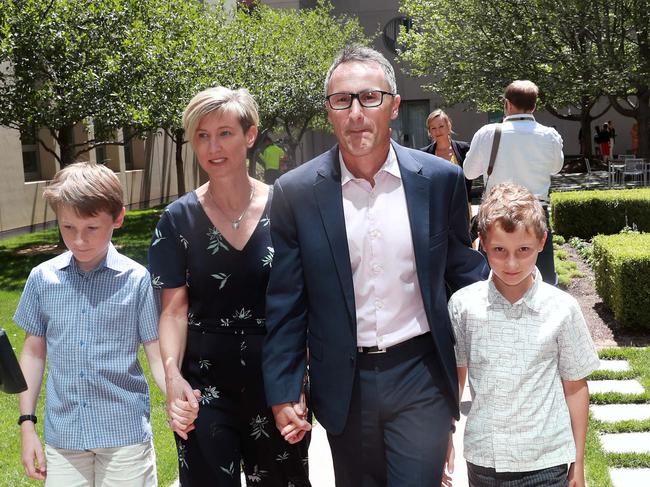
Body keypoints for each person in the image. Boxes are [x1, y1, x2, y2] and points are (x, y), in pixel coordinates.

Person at [262, 44, 487, 487]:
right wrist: (286, 386)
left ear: (394, 105)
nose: (356, 113)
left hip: (421, 373)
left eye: (370, 98)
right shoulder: (296, 192)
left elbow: (463, 273)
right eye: (341, 100)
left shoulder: (440, 181)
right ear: (329, 111)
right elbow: (287, 302)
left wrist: (522, 295)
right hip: (345, 384)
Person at [148, 86, 310, 487]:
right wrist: (172, 378)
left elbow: (307, 301)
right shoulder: (176, 220)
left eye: (224, 133)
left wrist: (300, 381)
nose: (212, 147)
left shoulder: (288, 208)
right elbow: (172, 310)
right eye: (202, 136)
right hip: (204, 385)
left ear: (250, 136)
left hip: (277, 381)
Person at [15, 161, 164, 486]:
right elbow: (33, 353)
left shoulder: (137, 281)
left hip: (124, 436)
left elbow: (157, 355)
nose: (79, 240)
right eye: (68, 228)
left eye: (91, 228)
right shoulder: (42, 279)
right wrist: (27, 424)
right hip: (64, 438)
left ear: (118, 218)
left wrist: (177, 393)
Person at [448, 182, 599, 487]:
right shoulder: (463, 306)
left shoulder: (563, 309)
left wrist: (578, 462)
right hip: (483, 461)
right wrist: (446, 436)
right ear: (483, 244)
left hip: (545, 462)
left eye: (523, 250)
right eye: (499, 250)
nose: (512, 263)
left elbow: (575, 387)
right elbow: (455, 379)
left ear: (542, 242)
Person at [463, 80, 564, 285]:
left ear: (507, 104)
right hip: (536, 213)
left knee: (492, 283)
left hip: (497, 213)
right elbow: (556, 167)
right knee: (541, 284)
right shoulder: (550, 135)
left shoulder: (487, 133)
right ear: (534, 106)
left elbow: (468, 171)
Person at [420, 109, 473, 202]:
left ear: (449, 127)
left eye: (441, 126)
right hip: (436, 207)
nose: (438, 131)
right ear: (429, 132)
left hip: (461, 205)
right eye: (433, 128)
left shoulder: (464, 149)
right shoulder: (424, 154)